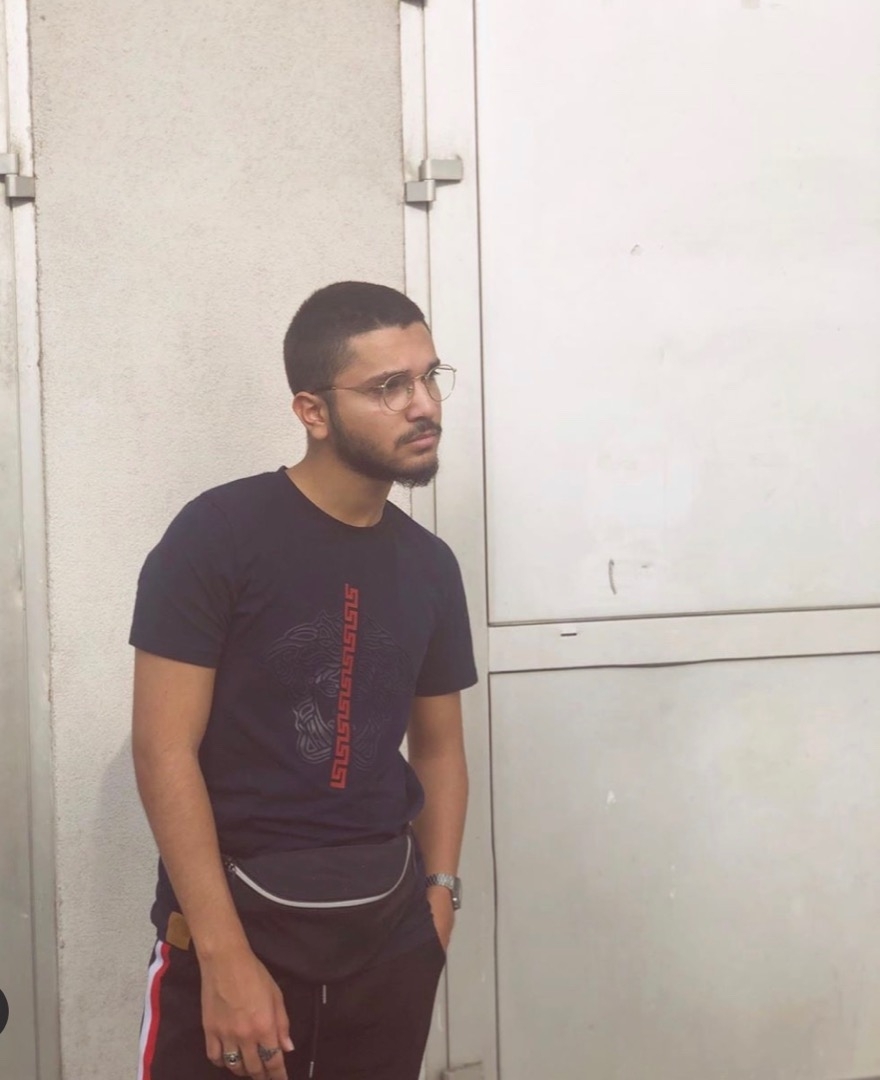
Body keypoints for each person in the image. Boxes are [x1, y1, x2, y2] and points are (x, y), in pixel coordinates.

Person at [131, 281, 477, 1080]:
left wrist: (438, 905)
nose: (424, 405)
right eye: (389, 386)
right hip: (236, 934)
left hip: (387, 937)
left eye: (430, 376)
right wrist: (223, 958)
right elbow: (162, 750)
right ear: (311, 411)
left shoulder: (430, 566)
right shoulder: (218, 534)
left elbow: (439, 750)